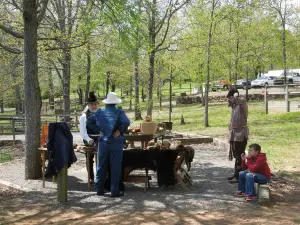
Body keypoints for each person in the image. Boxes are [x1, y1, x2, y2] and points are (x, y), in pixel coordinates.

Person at [88, 92, 130, 197]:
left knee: (101, 166)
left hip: (103, 142)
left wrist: (98, 130)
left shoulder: (99, 112)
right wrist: (120, 131)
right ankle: (114, 191)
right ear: (115, 103)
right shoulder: (120, 112)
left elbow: (89, 121)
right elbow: (127, 122)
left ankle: (99, 190)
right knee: (115, 167)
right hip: (116, 142)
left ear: (106, 102)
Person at [227, 89, 249, 183]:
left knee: (240, 155)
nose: (229, 100)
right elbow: (230, 103)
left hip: (240, 134)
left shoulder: (242, 104)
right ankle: (236, 174)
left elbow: (242, 100)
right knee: (237, 155)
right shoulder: (234, 106)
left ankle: (239, 176)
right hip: (234, 134)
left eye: (230, 98)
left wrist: (236, 95)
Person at [79, 91, 99, 184]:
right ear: (89, 105)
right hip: (88, 138)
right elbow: (83, 133)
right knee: (89, 158)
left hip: (100, 138)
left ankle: (101, 177)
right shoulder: (83, 116)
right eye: (92, 104)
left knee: (101, 158)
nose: (94, 106)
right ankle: (91, 177)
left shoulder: (100, 114)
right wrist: (89, 140)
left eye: (95, 104)